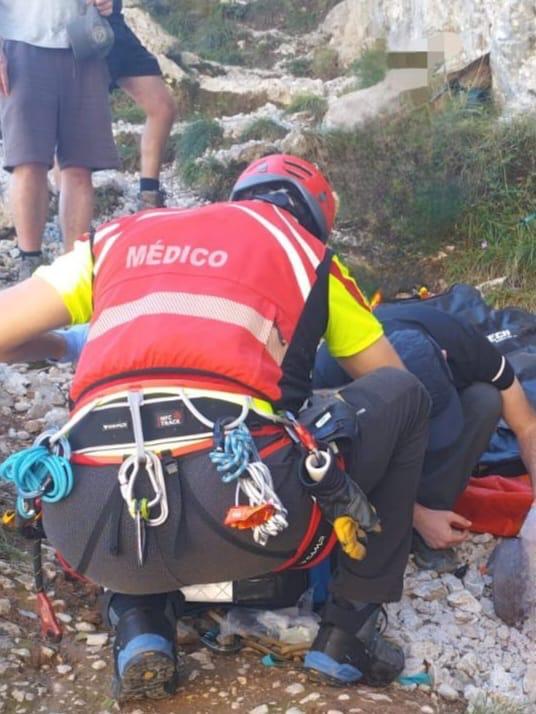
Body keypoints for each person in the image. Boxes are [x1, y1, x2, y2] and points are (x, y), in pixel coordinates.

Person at [0, 154, 431, 701]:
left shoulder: (118, 239)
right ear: (317, 217)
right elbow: (392, 387)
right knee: (406, 398)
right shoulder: (307, 253)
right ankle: (350, 631)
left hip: (86, 526)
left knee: (131, 457)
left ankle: (140, 621)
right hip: (249, 520)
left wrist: (66, 344)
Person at [314, 301, 536, 572]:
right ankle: (407, 526)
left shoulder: (461, 343)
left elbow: (527, 427)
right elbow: (335, 480)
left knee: (486, 399)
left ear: (443, 357)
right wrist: (417, 517)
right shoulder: (330, 381)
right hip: (367, 441)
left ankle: (429, 521)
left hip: (402, 402)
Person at [0, 0, 119, 278]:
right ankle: (29, 263)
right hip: (21, 43)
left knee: (80, 165)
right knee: (27, 161)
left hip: (84, 44)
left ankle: (74, 269)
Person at [102, 0, 178, 208]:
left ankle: (149, 197)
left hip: (115, 28)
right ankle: (61, 199)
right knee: (73, 122)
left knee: (162, 108)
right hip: (77, 30)